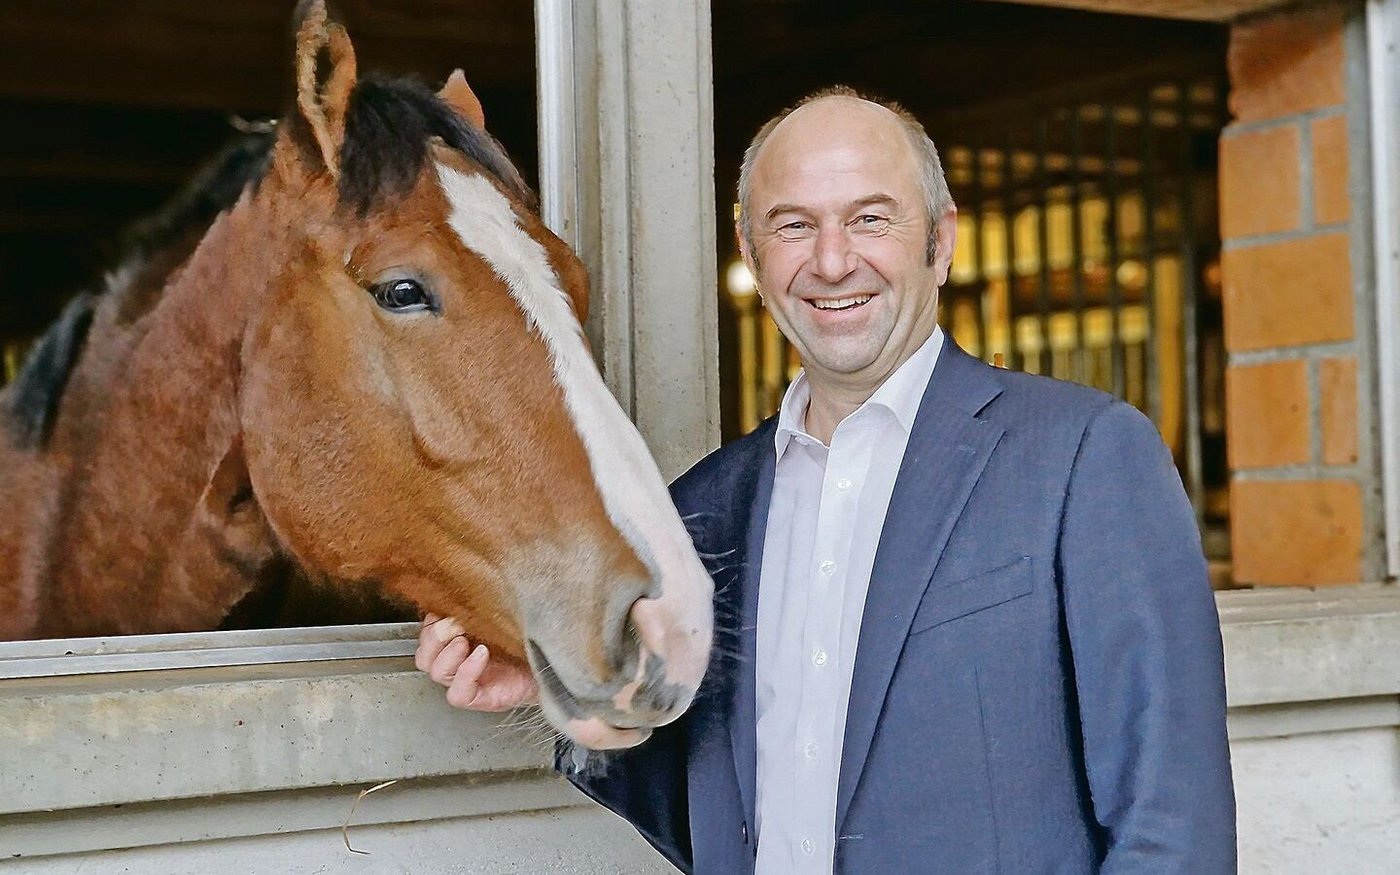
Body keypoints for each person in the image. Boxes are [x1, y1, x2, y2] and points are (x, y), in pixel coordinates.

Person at [417, 86, 1236, 873]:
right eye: (793, 225)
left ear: (939, 242)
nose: (833, 260)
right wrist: (569, 685)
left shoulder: (1085, 456)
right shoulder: (705, 510)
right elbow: (704, 809)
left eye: (870, 219)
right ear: (751, 253)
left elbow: (1174, 822)